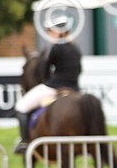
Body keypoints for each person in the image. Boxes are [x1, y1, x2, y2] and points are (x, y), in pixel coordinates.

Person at [15, 15, 82, 154]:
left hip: (54, 87)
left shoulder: (56, 48)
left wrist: (47, 80)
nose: (49, 33)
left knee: (21, 106)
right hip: (75, 89)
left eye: (50, 30)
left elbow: (44, 69)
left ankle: (25, 142)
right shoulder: (75, 48)